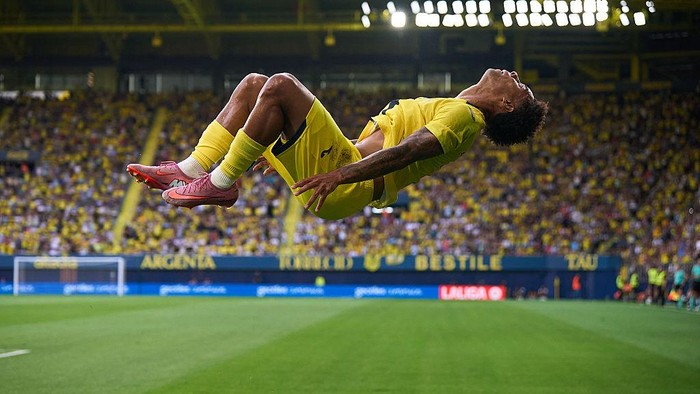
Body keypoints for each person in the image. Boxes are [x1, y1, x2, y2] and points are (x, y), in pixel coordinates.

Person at [127, 69, 548, 220]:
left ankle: (219, 180)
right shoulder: (455, 109)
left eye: (520, 85)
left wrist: (341, 172)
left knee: (280, 86)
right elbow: (387, 144)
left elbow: (407, 151)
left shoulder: (465, 117)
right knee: (256, 85)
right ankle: (194, 168)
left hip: (348, 181)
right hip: (344, 169)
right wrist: (293, 151)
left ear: (507, 104)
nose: (513, 73)